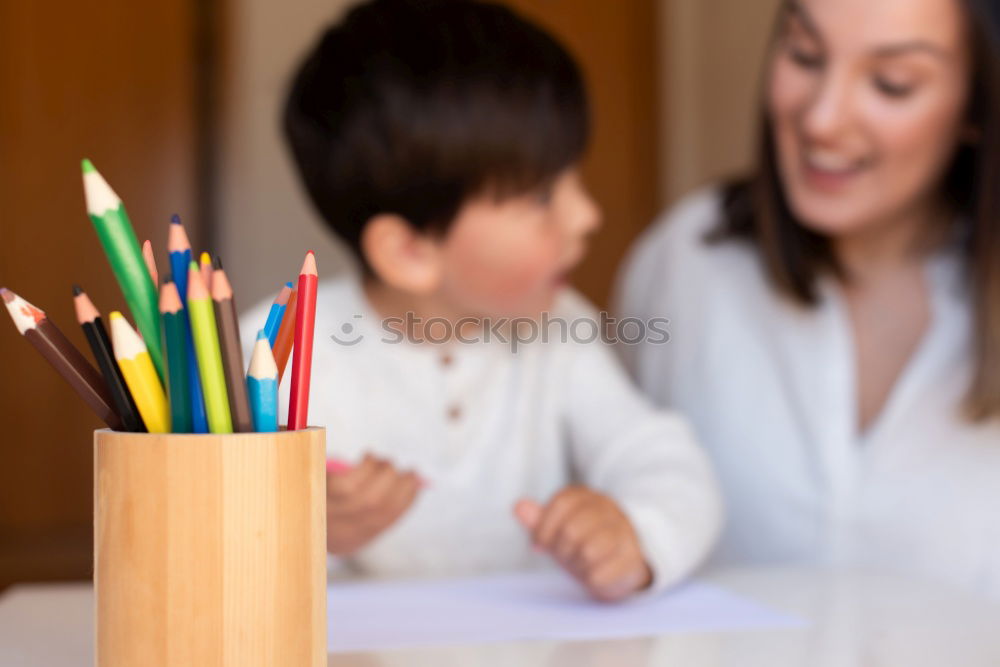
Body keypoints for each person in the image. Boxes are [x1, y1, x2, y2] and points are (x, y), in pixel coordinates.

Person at [241, 0, 721, 602]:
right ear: (410, 251)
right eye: (544, 195)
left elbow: (665, 463)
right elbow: (213, 549)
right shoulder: (277, 352)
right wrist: (308, 532)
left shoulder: (559, 331)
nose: (586, 215)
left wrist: (637, 538)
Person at [617, 0, 1000, 596]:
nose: (821, 118)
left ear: (979, 104)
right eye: (804, 53)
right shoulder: (686, 262)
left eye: (891, 84)